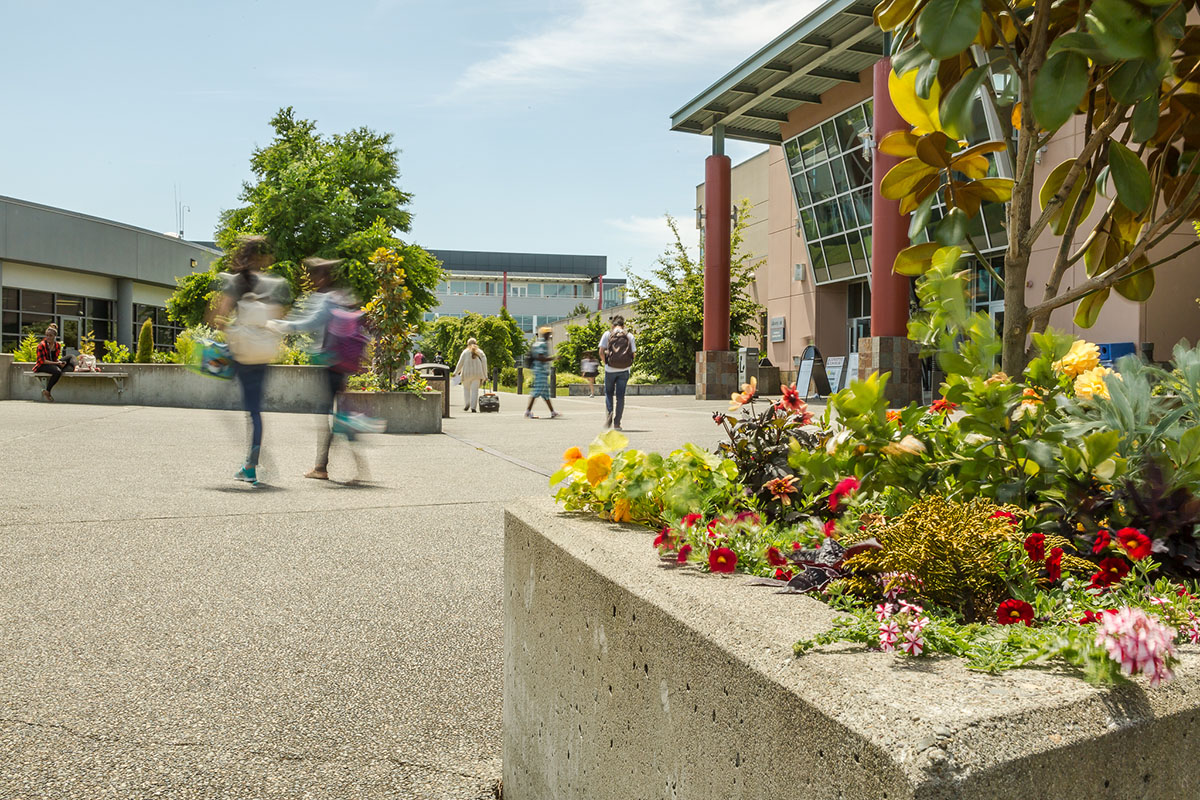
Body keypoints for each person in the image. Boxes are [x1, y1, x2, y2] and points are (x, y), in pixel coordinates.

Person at [267, 257, 370, 482]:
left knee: (326, 416)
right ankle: (343, 464)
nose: (310, 280)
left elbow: (310, 322)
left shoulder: (325, 299)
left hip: (331, 363)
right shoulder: (342, 296)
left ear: (321, 277)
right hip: (342, 364)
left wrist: (281, 326)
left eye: (312, 275)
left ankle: (322, 467)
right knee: (336, 415)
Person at [210, 235, 289, 486]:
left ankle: (251, 465)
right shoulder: (273, 284)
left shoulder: (236, 281)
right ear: (265, 258)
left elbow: (218, 317)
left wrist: (233, 328)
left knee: (238, 406)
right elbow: (278, 317)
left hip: (242, 354)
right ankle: (252, 463)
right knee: (255, 410)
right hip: (263, 354)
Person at [598, 315, 636, 430]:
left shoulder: (607, 334)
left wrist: (606, 362)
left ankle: (609, 414)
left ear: (612, 325)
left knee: (609, 393)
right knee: (620, 396)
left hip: (610, 370)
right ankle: (617, 423)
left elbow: (600, 352)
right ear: (623, 325)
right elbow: (633, 353)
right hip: (624, 370)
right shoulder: (629, 336)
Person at [525, 327, 560, 419]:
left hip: (540, 371)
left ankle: (553, 412)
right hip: (540, 371)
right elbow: (541, 358)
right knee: (536, 392)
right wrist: (554, 358)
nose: (550, 336)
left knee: (545, 394)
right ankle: (528, 411)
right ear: (545, 334)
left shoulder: (538, 343)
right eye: (548, 334)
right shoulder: (542, 344)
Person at [34, 324, 75, 402]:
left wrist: (59, 362)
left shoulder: (57, 345)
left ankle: (75, 369)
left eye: (50, 336)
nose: (48, 337)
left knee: (71, 357)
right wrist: (56, 364)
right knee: (57, 371)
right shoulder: (41, 345)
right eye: (47, 335)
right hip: (42, 365)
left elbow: (55, 358)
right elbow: (42, 361)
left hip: (52, 364)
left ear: (55, 336)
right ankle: (47, 391)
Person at [453, 337, 489, 412]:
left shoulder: (465, 352)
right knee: (475, 391)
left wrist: (455, 372)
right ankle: (473, 407)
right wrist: (485, 375)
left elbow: (460, 363)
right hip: (477, 374)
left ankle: (467, 403)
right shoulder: (481, 352)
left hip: (466, 374)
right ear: (476, 343)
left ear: (467, 344)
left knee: (466, 389)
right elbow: (484, 364)